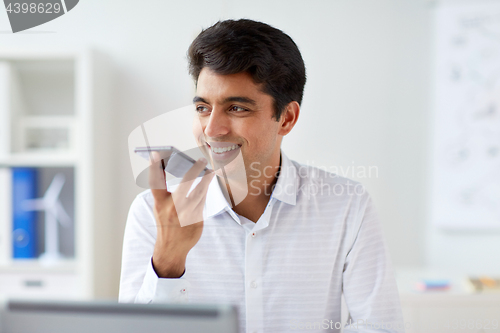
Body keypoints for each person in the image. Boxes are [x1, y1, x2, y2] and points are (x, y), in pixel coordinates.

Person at [119, 19, 405, 333]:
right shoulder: (152, 212)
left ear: (286, 118)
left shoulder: (347, 206)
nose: (212, 130)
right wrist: (168, 263)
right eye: (203, 107)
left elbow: (379, 326)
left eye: (237, 108)